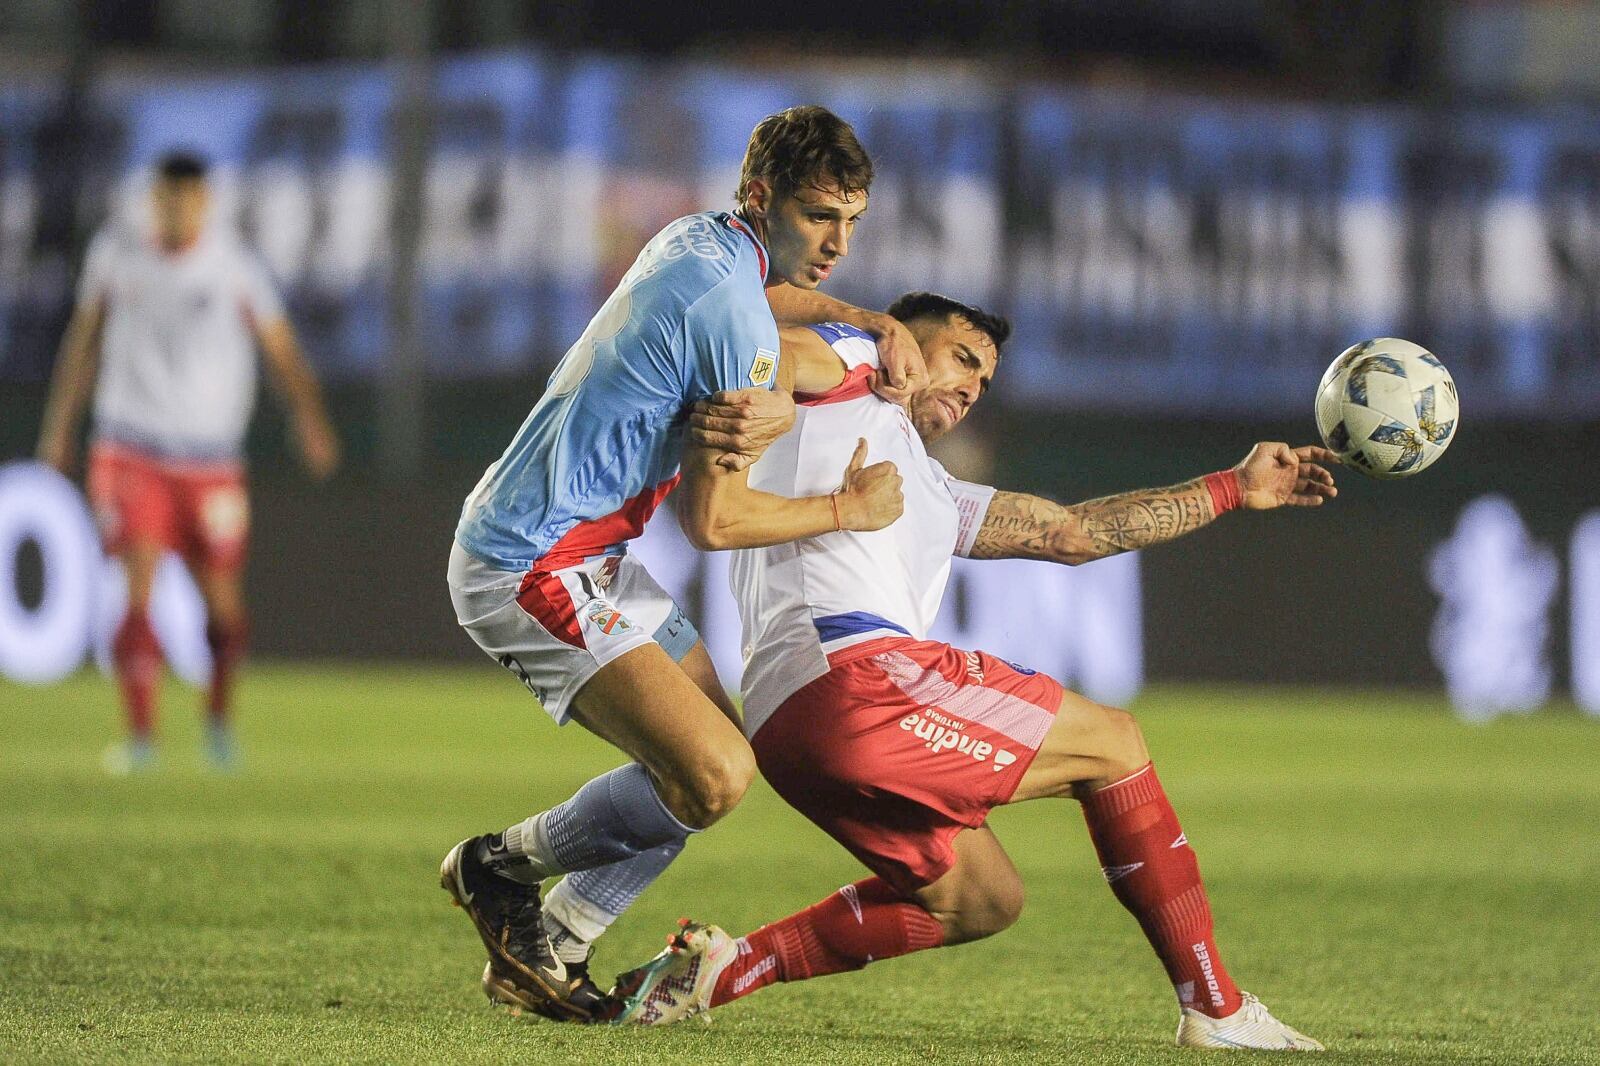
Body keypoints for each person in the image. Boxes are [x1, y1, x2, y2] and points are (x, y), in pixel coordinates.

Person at [609, 293, 1334, 1051]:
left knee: (981, 900)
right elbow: (752, 348)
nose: (971, 385)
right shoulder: (848, 371)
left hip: (793, 728)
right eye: (961, 358)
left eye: (985, 380)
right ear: (901, 343)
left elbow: (1071, 532)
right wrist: (746, 391)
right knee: (1113, 744)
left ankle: (727, 969)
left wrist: (1234, 487)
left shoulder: (933, 487)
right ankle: (1216, 1008)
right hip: (857, 677)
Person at [439, 105, 926, 1022]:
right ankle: (497, 869)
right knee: (714, 774)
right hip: (531, 563)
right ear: (762, 196)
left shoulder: (698, 240)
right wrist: (846, 510)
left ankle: (556, 943)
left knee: (711, 762)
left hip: (591, 550)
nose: (839, 243)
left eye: (852, 221)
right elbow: (715, 518)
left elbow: (766, 300)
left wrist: (857, 325)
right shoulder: (729, 318)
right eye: (821, 216)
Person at [35, 150, 340, 773]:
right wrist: (59, 427)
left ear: (205, 200)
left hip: (210, 462)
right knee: (137, 587)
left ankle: (219, 723)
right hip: (131, 447)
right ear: (154, 198)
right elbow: (84, 339)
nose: (177, 209)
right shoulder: (117, 253)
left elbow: (280, 350)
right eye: (167, 197)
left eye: (188, 197)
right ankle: (141, 737)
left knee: (224, 610)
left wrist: (310, 419)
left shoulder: (233, 266)